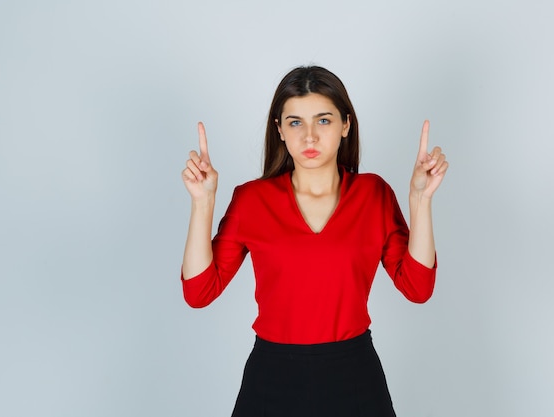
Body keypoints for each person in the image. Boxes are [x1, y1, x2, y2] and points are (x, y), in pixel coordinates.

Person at [180, 66, 448, 417]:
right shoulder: (251, 200)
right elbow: (199, 292)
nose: (309, 137)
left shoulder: (373, 194)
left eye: (323, 121)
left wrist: (420, 201)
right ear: (279, 130)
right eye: (295, 123)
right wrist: (202, 203)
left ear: (345, 125)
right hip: (272, 378)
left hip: (355, 378)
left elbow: (417, 287)